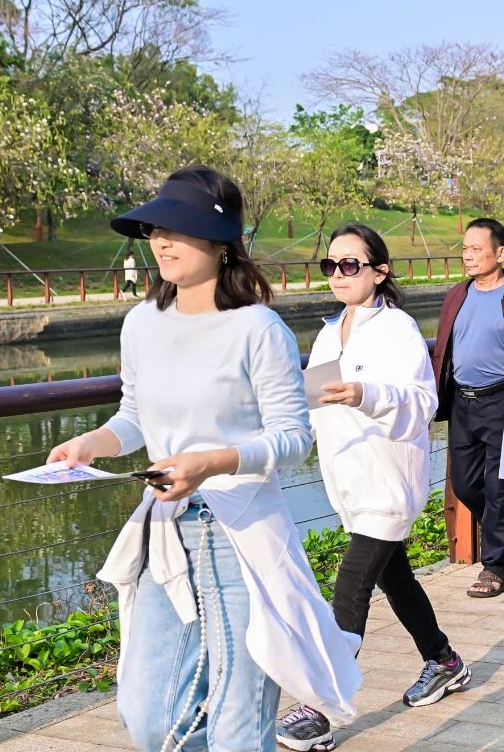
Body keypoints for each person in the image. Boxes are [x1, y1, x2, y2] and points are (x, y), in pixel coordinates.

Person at [48, 166, 361, 750]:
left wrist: (212, 462)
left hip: (240, 534)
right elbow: (135, 414)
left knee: (238, 727)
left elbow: (293, 438)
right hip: (166, 531)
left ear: (221, 244)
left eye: (179, 229)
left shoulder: (258, 328)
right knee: (147, 716)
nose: (162, 241)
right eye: (155, 230)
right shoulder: (141, 323)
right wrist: (92, 443)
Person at [277, 223, 469, 750]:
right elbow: (311, 406)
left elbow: (422, 401)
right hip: (348, 482)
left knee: (352, 586)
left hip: (387, 481)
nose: (338, 274)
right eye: (331, 265)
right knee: (395, 578)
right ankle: (444, 661)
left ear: (379, 271)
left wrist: (365, 392)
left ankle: (320, 711)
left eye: (350, 264)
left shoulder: (397, 329)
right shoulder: (328, 333)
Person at [431, 218, 504, 598]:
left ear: (500, 254)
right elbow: (443, 352)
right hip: (462, 402)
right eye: (464, 249)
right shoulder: (456, 296)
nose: (468, 256)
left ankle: (494, 567)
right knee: (465, 483)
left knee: (500, 486)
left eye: (476, 249)